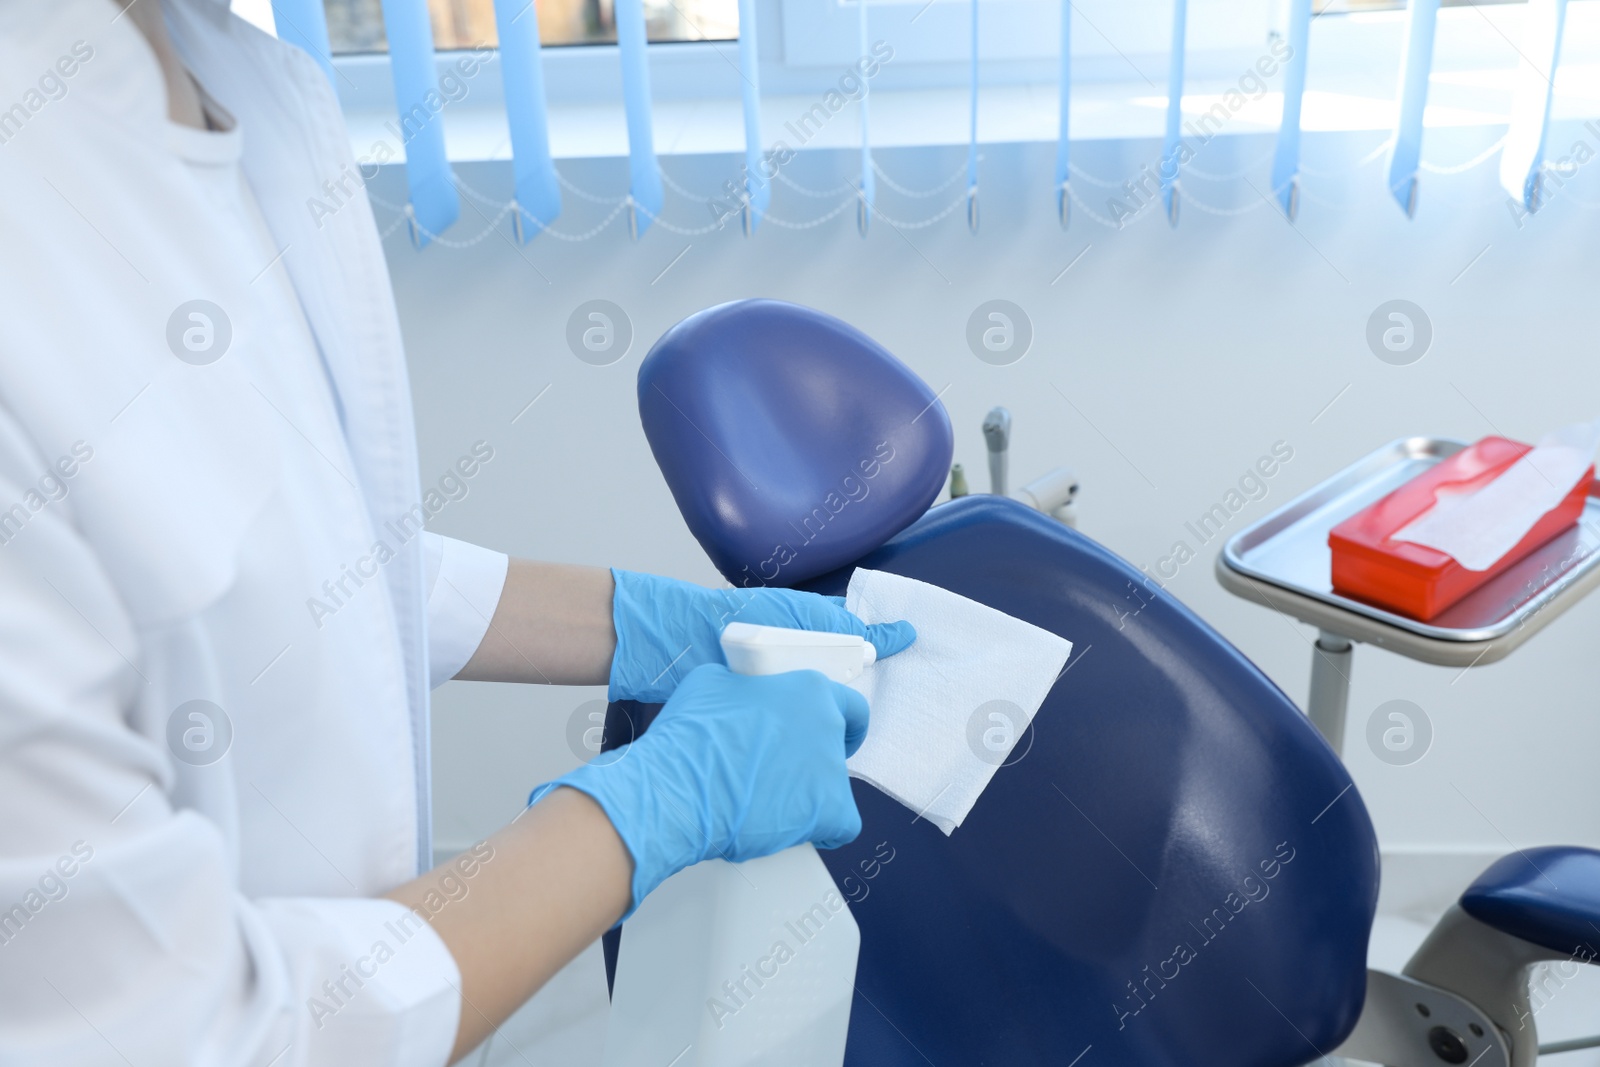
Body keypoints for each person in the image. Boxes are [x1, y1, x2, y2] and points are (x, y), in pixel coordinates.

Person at [0, 1, 915, 1064]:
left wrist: (645, 623)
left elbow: (291, 568)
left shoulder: (237, 87)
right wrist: (646, 810)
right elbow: (169, 1036)